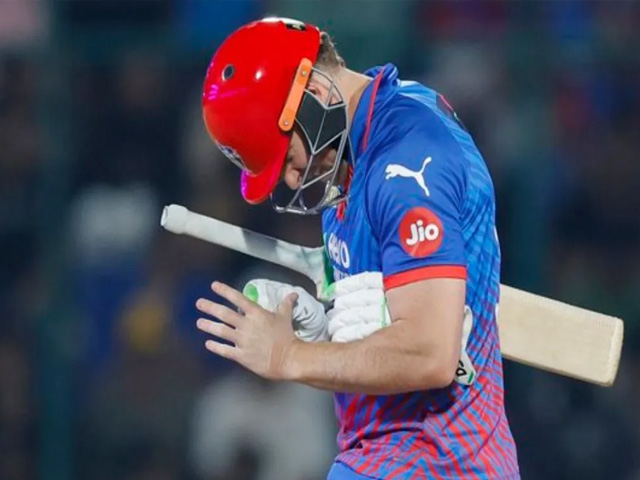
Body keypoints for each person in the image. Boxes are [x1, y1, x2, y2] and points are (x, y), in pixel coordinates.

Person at [195, 17, 520, 480]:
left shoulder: (406, 158)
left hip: (433, 461)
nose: (292, 179)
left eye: (287, 157)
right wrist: (327, 328)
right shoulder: (360, 144)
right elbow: (399, 313)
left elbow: (429, 352)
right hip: (389, 457)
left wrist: (287, 356)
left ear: (313, 93)